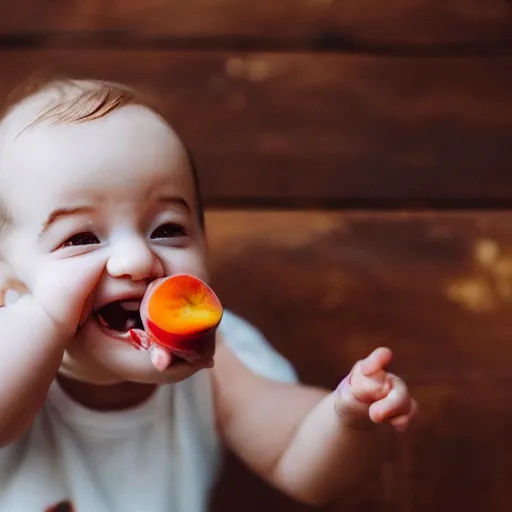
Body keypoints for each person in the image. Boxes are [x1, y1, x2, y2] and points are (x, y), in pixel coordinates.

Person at [0, 78, 417, 512]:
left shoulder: (218, 361)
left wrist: (348, 417)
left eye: (167, 229)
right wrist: (47, 316)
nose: (138, 259)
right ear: (6, 284)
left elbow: (297, 456)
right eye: (81, 238)